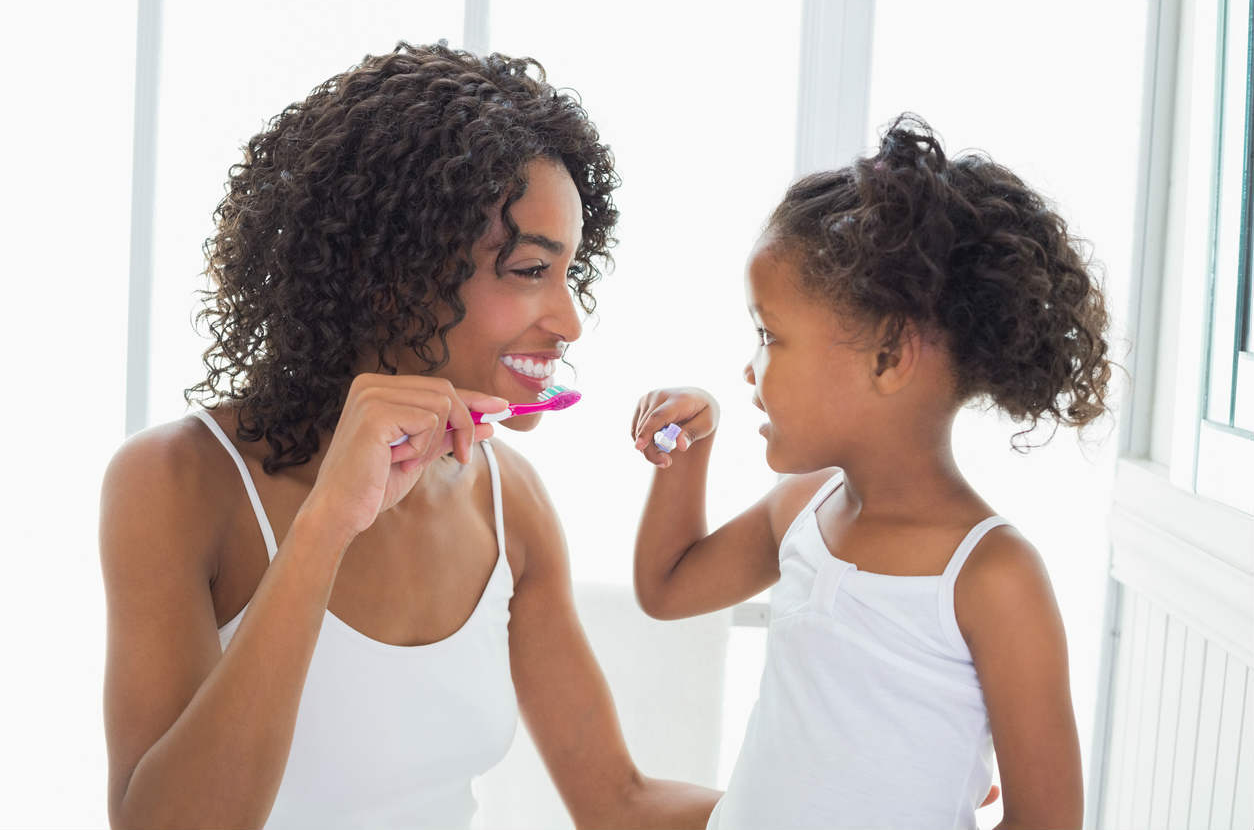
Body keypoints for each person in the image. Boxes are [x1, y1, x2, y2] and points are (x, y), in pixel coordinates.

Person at [99, 42, 719, 830]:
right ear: (396, 275)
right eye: (530, 270)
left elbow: (618, 802)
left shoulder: (511, 499)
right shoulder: (177, 481)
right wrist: (327, 525)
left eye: (569, 274)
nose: (569, 320)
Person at [629, 114, 1107, 830]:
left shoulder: (993, 577)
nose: (750, 368)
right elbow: (667, 589)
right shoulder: (802, 507)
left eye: (770, 336)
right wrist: (685, 454)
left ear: (888, 357)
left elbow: (1048, 822)